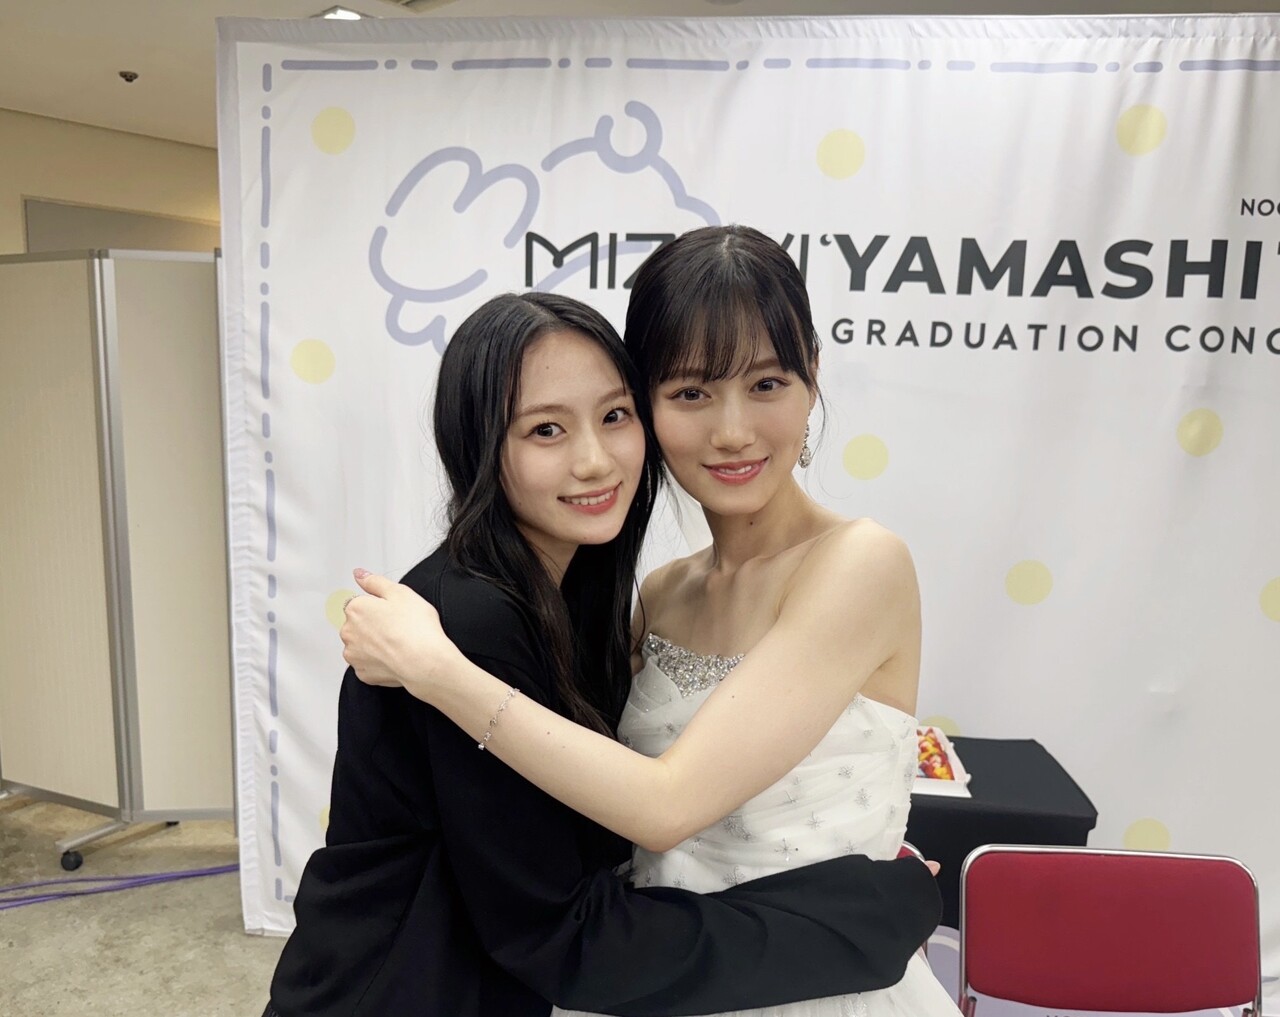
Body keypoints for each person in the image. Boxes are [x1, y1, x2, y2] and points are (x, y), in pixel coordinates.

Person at [264, 289, 940, 1017]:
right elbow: (566, 931)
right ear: (479, 444)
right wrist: (865, 916)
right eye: (546, 430)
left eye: (614, 416)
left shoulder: (589, 595)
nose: (594, 460)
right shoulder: (472, 619)